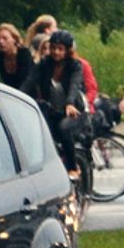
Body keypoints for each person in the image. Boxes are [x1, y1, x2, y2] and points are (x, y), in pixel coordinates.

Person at [32, 30, 98, 182]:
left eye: (60, 49)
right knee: (39, 130)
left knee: (64, 129)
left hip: (75, 112)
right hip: (52, 110)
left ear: (68, 50)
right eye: (53, 48)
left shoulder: (75, 66)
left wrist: (70, 103)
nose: (56, 52)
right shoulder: (44, 64)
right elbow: (30, 82)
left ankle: (72, 167)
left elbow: (74, 85)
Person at [0, 22, 37, 95]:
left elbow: (25, 80)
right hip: (11, 96)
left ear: (14, 39)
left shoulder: (24, 54)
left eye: (5, 38)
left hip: (29, 96)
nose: (0, 42)